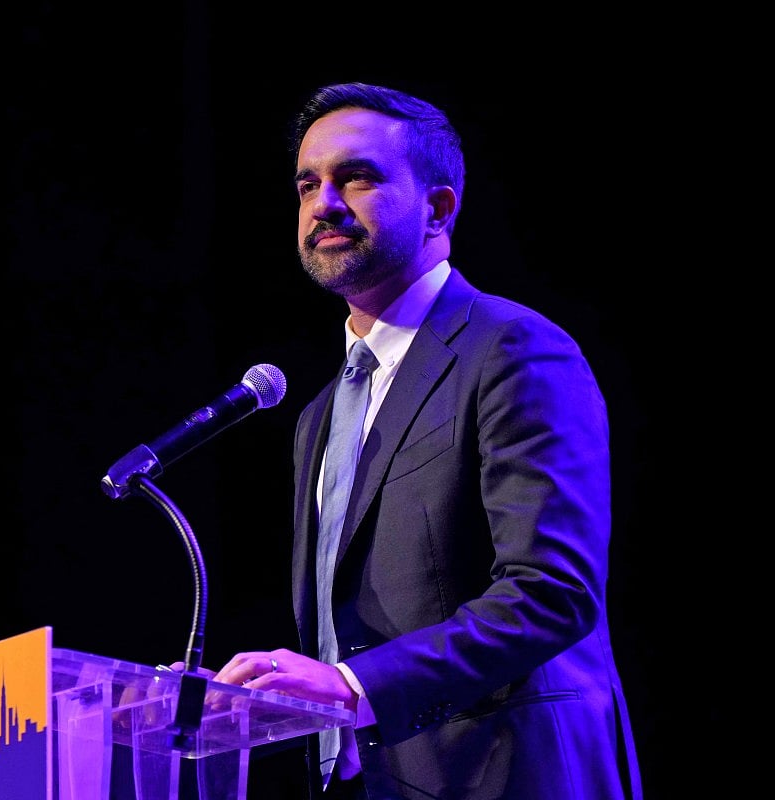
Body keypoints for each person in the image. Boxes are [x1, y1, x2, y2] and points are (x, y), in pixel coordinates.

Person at [206, 83, 645, 799]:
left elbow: (550, 592)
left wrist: (351, 685)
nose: (326, 203)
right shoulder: (318, 413)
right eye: (308, 184)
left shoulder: (513, 348)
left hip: (508, 773)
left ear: (439, 208)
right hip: (372, 780)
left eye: (359, 177)